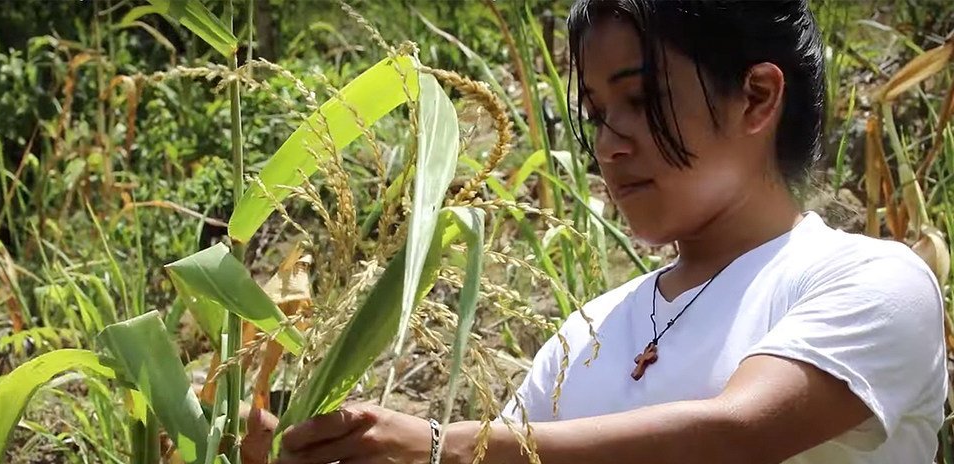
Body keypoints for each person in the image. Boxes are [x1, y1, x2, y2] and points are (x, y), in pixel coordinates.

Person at [242, 0, 948, 463]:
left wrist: (436, 446)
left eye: (641, 100)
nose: (609, 144)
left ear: (757, 97)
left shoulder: (872, 281)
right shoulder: (585, 332)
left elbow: (735, 434)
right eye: (597, 110)